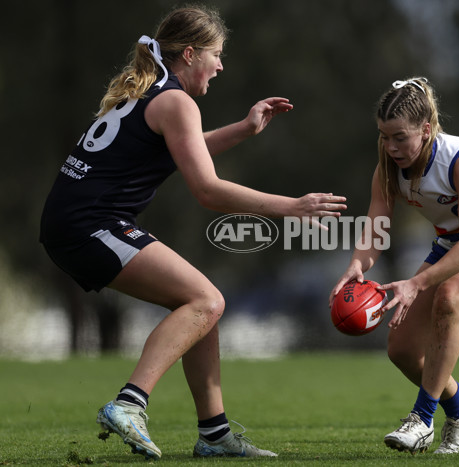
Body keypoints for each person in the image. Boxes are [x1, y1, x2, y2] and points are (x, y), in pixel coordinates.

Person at [40, 5, 347, 460]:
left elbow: (184, 149)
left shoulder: (155, 93)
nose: (221, 65)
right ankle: (129, 404)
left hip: (78, 222)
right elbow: (207, 189)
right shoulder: (176, 101)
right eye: (217, 54)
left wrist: (244, 129)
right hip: (88, 225)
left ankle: (215, 433)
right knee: (207, 301)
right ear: (190, 53)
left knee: (202, 306)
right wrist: (292, 207)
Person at [330, 77, 459, 455]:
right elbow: (377, 228)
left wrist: (416, 283)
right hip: (452, 244)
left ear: (426, 130)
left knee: (451, 296)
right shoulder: (386, 168)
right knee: (402, 349)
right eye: (383, 136)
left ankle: (422, 420)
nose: (391, 146)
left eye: (400, 137)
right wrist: (355, 266)